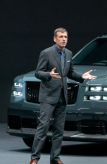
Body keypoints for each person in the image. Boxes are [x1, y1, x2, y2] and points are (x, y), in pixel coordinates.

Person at [30, 27, 96, 164]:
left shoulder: (69, 53)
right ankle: (34, 159)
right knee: (42, 129)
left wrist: (82, 76)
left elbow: (70, 72)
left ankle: (55, 158)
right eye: (60, 37)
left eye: (65, 37)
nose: (63, 39)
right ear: (55, 39)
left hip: (62, 97)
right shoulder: (46, 53)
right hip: (48, 97)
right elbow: (38, 73)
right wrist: (49, 74)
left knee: (59, 131)